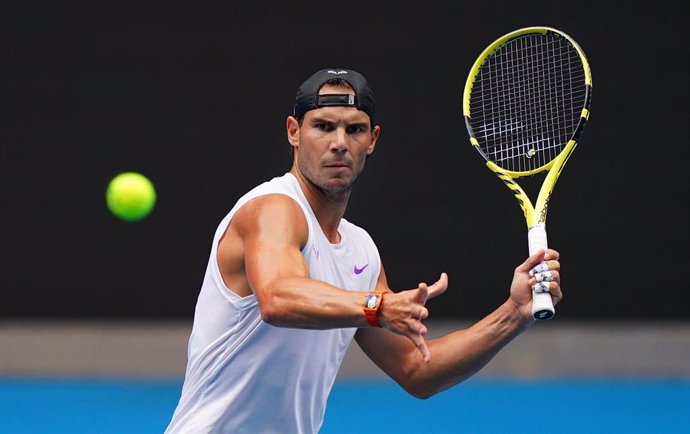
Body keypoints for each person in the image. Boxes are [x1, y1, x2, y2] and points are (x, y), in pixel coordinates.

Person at [165, 68, 562, 433]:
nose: (339, 143)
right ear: (293, 132)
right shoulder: (272, 208)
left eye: (354, 130)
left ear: (372, 140)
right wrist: (376, 306)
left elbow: (417, 370)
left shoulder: (361, 252)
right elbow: (277, 296)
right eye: (323, 126)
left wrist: (514, 314)